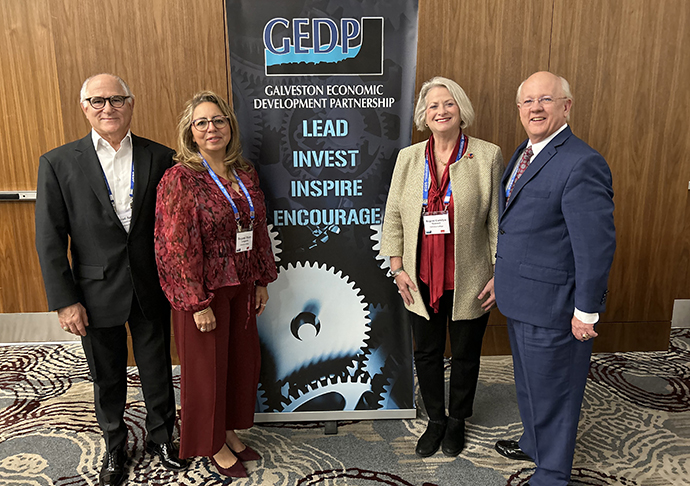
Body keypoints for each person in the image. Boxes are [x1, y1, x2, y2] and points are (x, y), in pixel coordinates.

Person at [35, 74, 187, 486]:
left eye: (117, 99)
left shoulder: (162, 156)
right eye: (98, 101)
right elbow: (50, 238)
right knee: (107, 373)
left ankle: (162, 439)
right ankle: (115, 445)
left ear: (131, 104)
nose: (108, 108)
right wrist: (65, 301)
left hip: (150, 285)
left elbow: (175, 227)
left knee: (157, 368)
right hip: (93, 290)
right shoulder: (58, 162)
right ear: (84, 106)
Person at [493, 71, 616, 486]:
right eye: (527, 101)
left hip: (557, 307)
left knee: (556, 394)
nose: (535, 108)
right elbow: (521, 227)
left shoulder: (582, 162)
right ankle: (534, 443)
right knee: (530, 385)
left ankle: (551, 474)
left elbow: (595, 246)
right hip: (521, 296)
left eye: (546, 99)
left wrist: (587, 311)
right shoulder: (525, 153)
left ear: (566, 105)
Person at [154, 91, 277, 478]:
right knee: (206, 369)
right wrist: (196, 302)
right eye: (201, 123)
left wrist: (260, 279)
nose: (211, 129)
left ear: (230, 126)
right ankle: (211, 444)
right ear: (190, 133)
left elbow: (256, 230)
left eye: (218, 120)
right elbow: (173, 246)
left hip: (241, 284)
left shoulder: (243, 172)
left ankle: (226, 431)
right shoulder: (180, 178)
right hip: (203, 290)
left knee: (238, 363)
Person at [380, 76, 503, 458]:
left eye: (448, 103)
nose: (441, 111)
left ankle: (457, 420)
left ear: (460, 109)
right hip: (419, 277)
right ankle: (436, 419)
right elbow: (395, 215)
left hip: (470, 277)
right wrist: (397, 267)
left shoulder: (487, 155)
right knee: (427, 354)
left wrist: (500, 274)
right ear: (424, 115)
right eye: (433, 106)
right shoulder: (409, 157)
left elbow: (497, 221)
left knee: (466, 353)